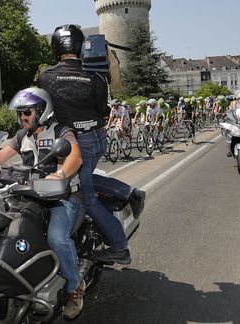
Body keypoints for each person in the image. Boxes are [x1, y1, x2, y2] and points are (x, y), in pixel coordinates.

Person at [38, 24, 146, 265]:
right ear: (80, 45)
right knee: (81, 177)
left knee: (86, 196)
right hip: (97, 137)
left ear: (55, 47)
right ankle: (128, 192)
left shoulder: (46, 76)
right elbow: (103, 110)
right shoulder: (95, 76)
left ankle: (120, 247)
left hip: (74, 143)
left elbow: (44, 107)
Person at [0, 87, 85, 319]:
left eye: (27, 112)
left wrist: (60, 174)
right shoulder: (22, 136)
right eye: (20, 113)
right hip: (29, 195)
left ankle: (75, 288)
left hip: (63, 197)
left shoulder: (61, 131)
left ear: (42, 111)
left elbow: (75, 156)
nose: (22, 117)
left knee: (57, 238)